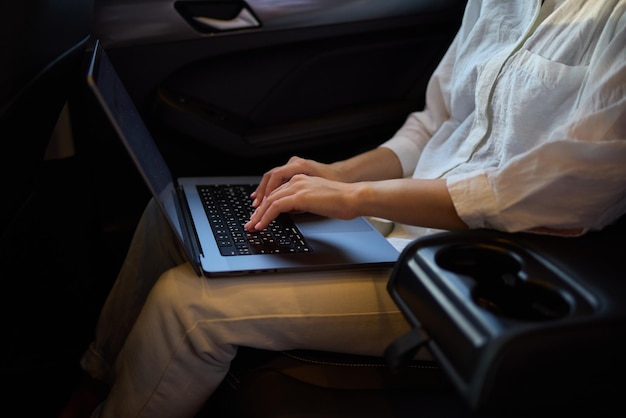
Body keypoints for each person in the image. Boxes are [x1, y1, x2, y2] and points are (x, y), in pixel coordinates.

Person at [66, 0, 626, 417]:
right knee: (173, 217)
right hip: (391, 217)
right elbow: (434, 126)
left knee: (187, 304)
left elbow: (574, 188)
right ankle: (104, 377)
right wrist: (335, 175)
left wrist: (354, 198)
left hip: (469, 268)